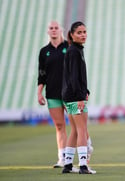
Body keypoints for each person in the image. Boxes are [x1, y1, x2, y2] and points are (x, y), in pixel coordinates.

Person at [61, 21, 95, 174]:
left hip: (69, 96)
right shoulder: (74, 51)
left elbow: (74, 76)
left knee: (74, 130)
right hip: (75, 96)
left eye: (84, 32)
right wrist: (81, 96)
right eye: (79, 32)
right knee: (82, 130)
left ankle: (68, 165)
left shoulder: (74, 50)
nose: (83, 35)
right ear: (72, 34)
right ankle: (83, 166)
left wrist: (84, 90)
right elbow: (74, 77)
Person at [37, 21, 69, 168]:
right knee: (59, 126)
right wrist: (39, 93)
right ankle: (62, 158)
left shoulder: (69, 47)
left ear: (61, 30)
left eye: (56, 28)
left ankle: (86, 148)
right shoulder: (44, 52)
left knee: (77, 123)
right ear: (47, 31)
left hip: (70, 93)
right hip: (52, 93)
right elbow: (41, 74)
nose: (54, 30)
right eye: (51, 28)